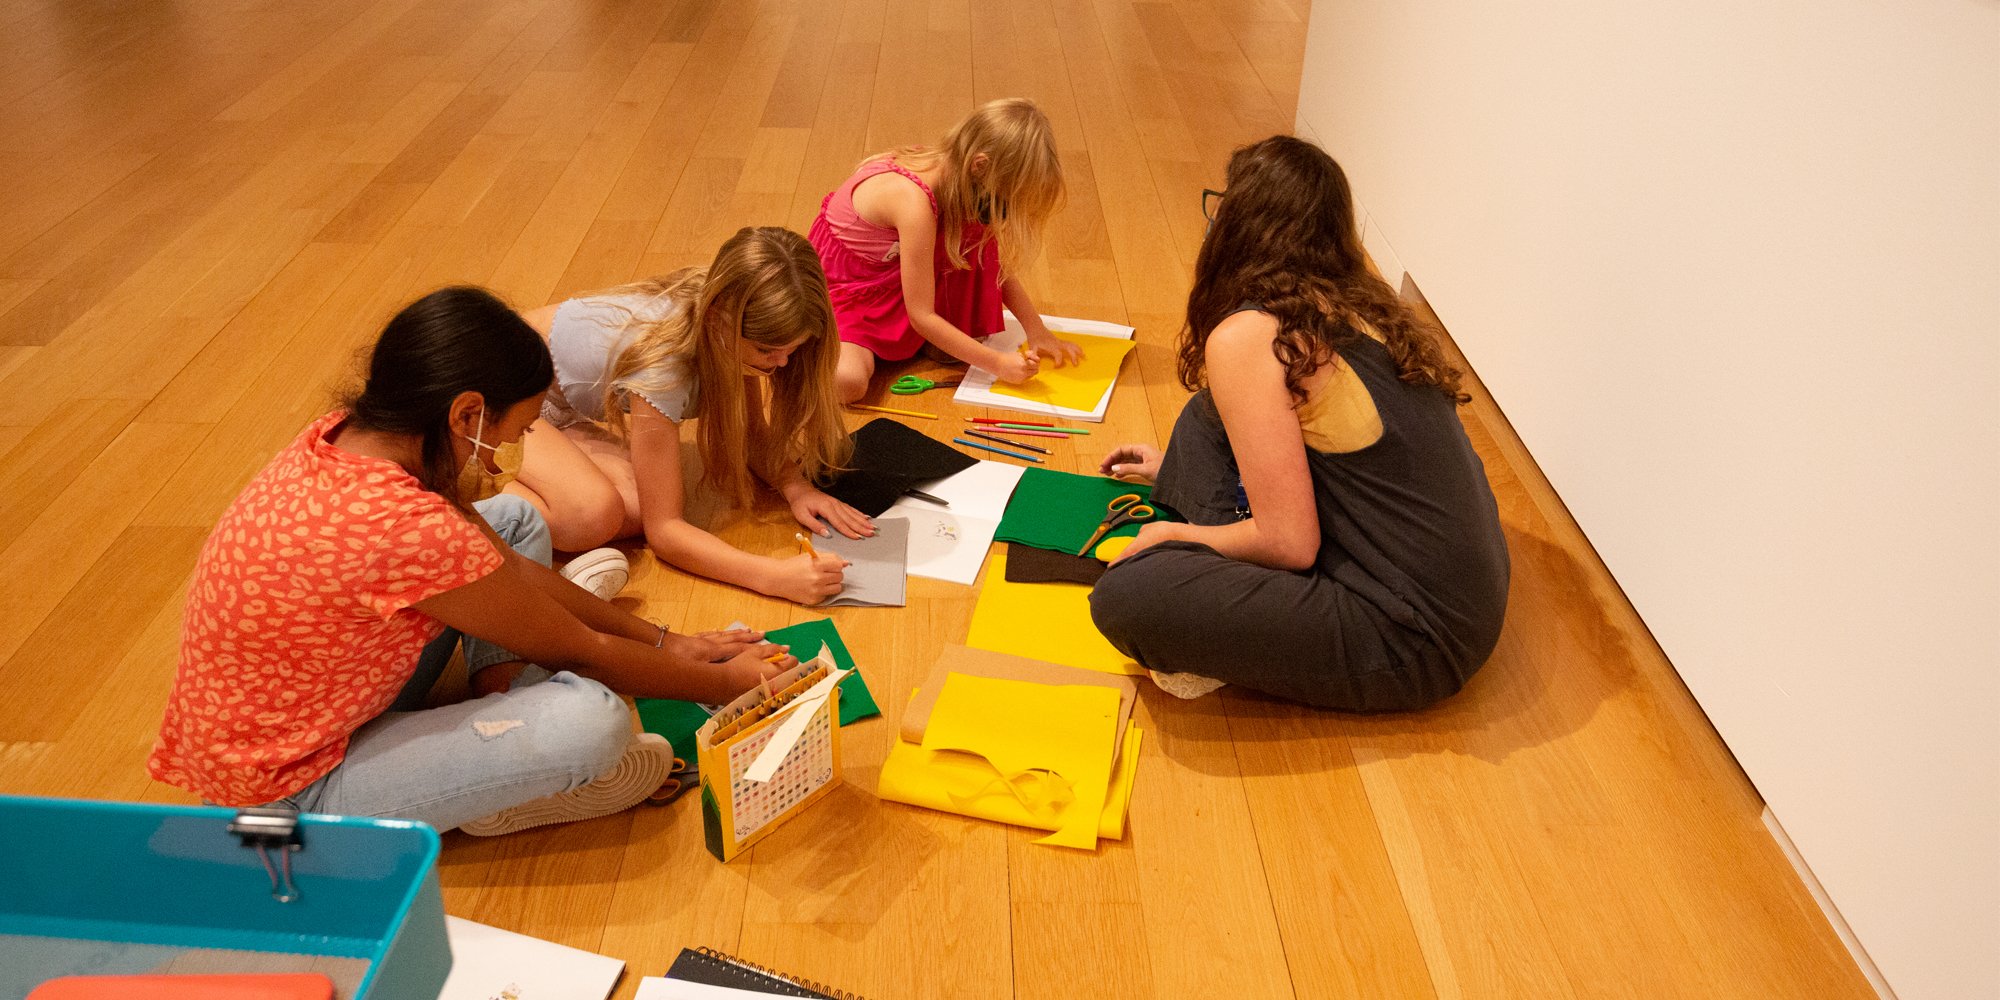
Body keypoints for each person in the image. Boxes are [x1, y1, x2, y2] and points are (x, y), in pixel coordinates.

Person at [148, 287, 798, 835]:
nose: (501, 457)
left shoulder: (350, 434)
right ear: (466, 414)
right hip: (288, 804)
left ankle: (502, 714)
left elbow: (505, 569)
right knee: (594, 720)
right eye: (510, 434)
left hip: (322, 699)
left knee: (511, 521)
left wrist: (668, 641)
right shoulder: (403, 526)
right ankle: (506, 787)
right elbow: (584, 651)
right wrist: (726, 685)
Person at [1089, 136, 1510, 712]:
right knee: (1207, 415)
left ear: (1244, 226)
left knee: (1127, 597)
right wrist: (1177, 468)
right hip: (1463, 590)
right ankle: (1231, 581)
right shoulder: (1354, 305)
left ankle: (1231, 637)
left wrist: (1176, 533)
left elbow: (1290, 543)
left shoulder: (1249, 337)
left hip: (1415, 635)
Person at [509, 227, 867, 607]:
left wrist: (797, 488)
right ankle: (464, 497)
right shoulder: (663, 364)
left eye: (793, 349)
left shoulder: (725, 324)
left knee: (631, 508)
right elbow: (665, 533)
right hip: (503, 393)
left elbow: (751, 435)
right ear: (718, 320)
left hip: (551, 401)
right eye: (767, 350)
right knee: (595, 515)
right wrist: (773, 576)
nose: (782, 363)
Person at [809, 97, 1083, 404]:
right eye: (1005, 203)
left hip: (904, 280)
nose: (1003, 215)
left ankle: (922, 343)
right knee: (848, 382)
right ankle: (811, 351)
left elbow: (994, 263)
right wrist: (997, 363)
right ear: (980, 166)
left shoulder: (962, 179)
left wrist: (1037, 329)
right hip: (850, 291)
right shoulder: (911, 202)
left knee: (957, 339)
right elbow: (922, 316)